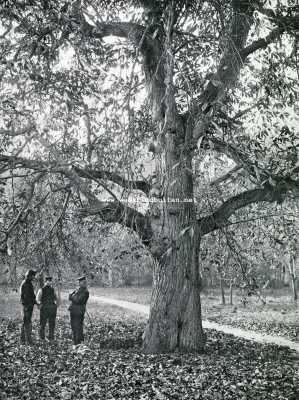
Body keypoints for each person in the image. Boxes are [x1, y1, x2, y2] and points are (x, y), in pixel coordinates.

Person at [36, 276, 59, 341]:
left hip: (52, 308)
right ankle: (42, 337)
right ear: (45, 282)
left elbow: (56, 298)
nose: (49, 282)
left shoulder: (53, 289)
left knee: (52, 323)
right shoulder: (41, 290)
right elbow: (37, 299)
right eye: (48, 281)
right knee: (43, 323)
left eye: (50, 281)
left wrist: (56, 304)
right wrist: (40, 304)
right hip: (44, 309)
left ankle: (51, 337)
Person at [69, 276, 89, 346]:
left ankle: (78, 343)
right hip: (73, 311)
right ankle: (76, 342)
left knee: (78, 327)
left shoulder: (85, 291)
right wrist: (72, 295)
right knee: (74, 327)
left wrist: (72, 296)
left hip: (79, 312)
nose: (81, 283)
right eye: (80, 282)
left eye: (83, 282)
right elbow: (71, 297)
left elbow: (78, 300)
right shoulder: (79, 290)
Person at [20, 269, 37, 345]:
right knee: (27, 322)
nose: (34, 277)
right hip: (27, 306)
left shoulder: (28, 283)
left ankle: (23, 340)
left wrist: (35, 301)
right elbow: (27, 298)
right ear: (30, 276)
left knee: (25, 322)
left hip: (27, 305)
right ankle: (28, 341)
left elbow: (31, 296)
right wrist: (35, 302)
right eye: (33, 276)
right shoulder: (26, 284)